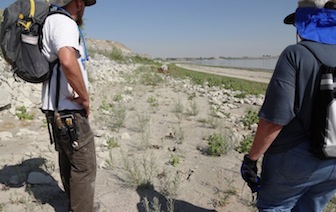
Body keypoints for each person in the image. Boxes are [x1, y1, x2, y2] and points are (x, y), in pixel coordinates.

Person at [240, 0, 336, 211]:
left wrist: (251, 159)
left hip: (295, 157)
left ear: (305, 23)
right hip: (334, 162)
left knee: (274, 206)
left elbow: (273, 121)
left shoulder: (296, 54)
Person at [41, 0, 97, 211]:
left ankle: (75, 203)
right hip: (69, 111)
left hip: (55, 109)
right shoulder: (65, 23)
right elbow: (67, 59)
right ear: (79, 3)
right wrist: (84, 98)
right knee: (84, 167)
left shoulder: (49, 22)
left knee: (68, 161)